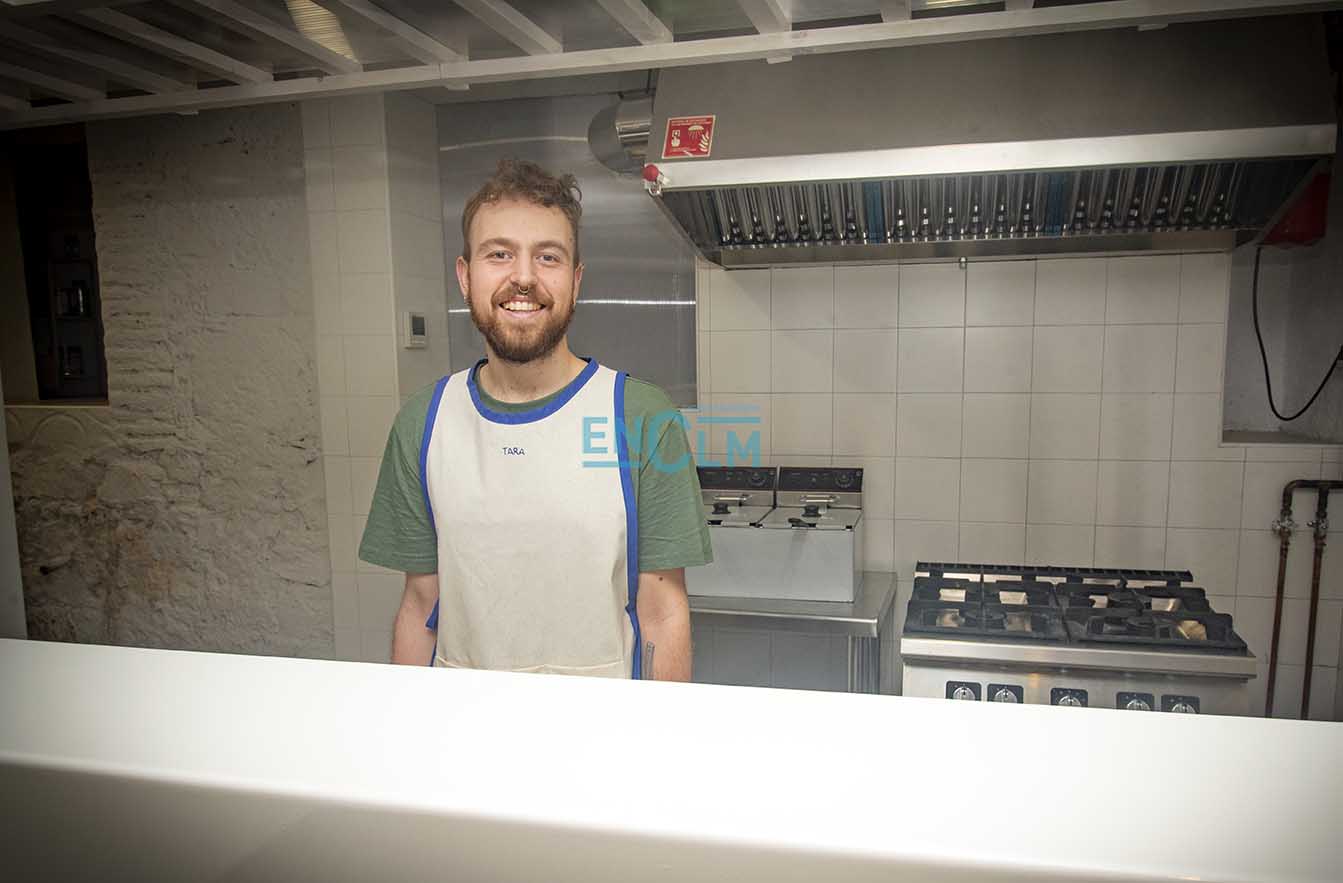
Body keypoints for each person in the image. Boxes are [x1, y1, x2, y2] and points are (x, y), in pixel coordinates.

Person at [357, 158, 711, 681]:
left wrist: (655, 749)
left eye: (547, 257)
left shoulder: (642, 419)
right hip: (463, 736)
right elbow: (420, 604)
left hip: (600, 740)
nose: (523, 278)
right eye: (499, 254)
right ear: (465, 275)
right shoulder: (424, 424)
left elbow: (663, 613)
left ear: (576, 279)